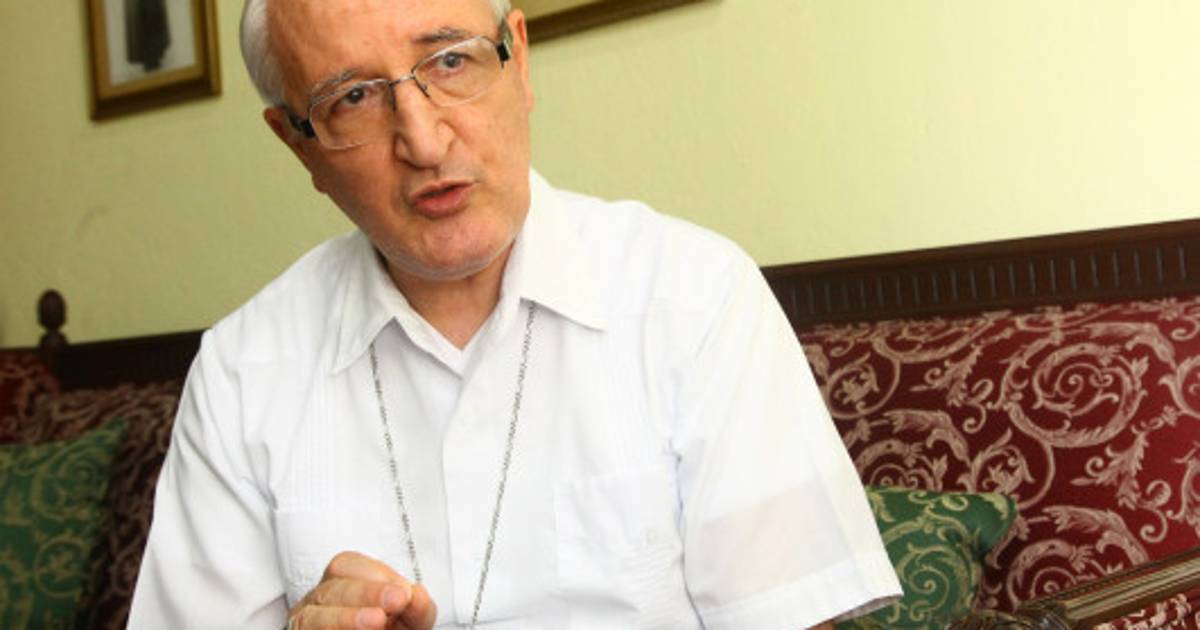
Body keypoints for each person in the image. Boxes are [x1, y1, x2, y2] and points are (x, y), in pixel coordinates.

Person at [127, 0, 902, 628]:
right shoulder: (241, 370)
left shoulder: (696, 299)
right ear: (299, 146)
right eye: (352, 98)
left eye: (449, 61)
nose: (423, 140)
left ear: (518, 61)